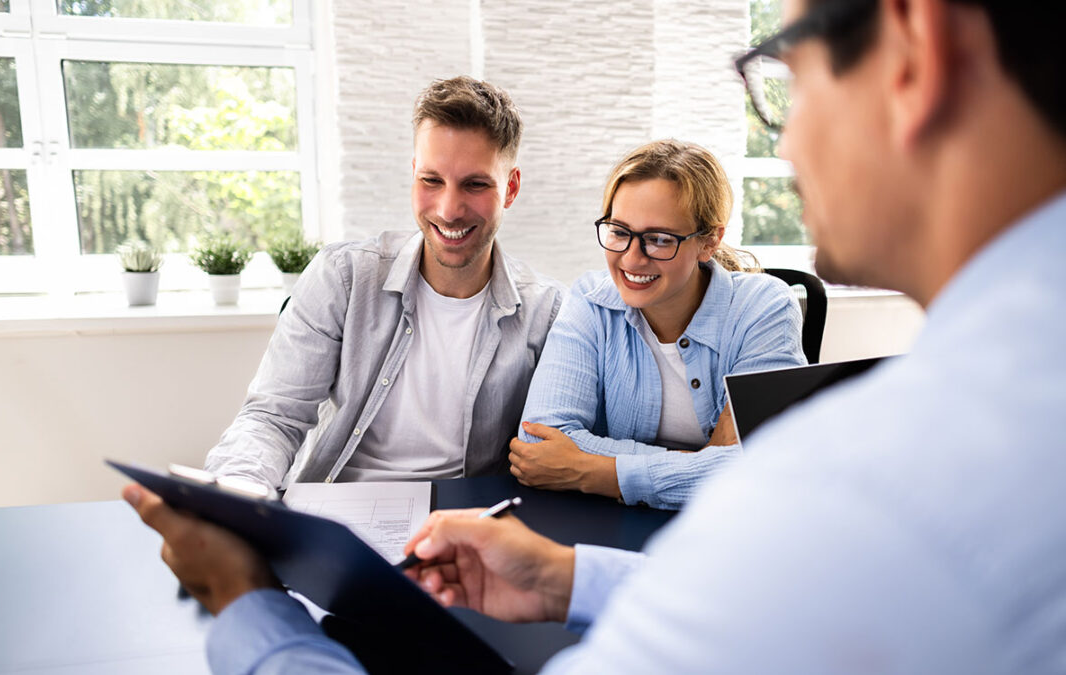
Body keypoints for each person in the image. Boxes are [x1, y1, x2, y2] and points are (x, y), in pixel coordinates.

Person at [124, 0, 1066, 671]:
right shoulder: (985, 419)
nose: (783, 140)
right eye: (619, 233)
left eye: (785, 68)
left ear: (914, 48)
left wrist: (247, 610)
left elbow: (602, 467)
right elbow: (533, 448)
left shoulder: (852, 492)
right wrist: (577, 577)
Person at [204, 76, 563, 489]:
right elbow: (274, 417)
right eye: (432, 180)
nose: (449, 210)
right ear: (413, 174)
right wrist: (239, 488)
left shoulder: (547, 312)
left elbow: (556, 450)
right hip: (337, 508)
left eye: (475, 184)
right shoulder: (343, 277)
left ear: (510, 188)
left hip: (464, 528)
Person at [508, 140, 805, 509]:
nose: (632, 259)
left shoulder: (764, 307)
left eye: (659, 239)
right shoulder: (590, 300)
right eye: (619, 231)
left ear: (709, 241)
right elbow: (539, 442)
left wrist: (597, 471)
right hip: (616, 525)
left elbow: (767, 466)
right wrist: (704, 465)